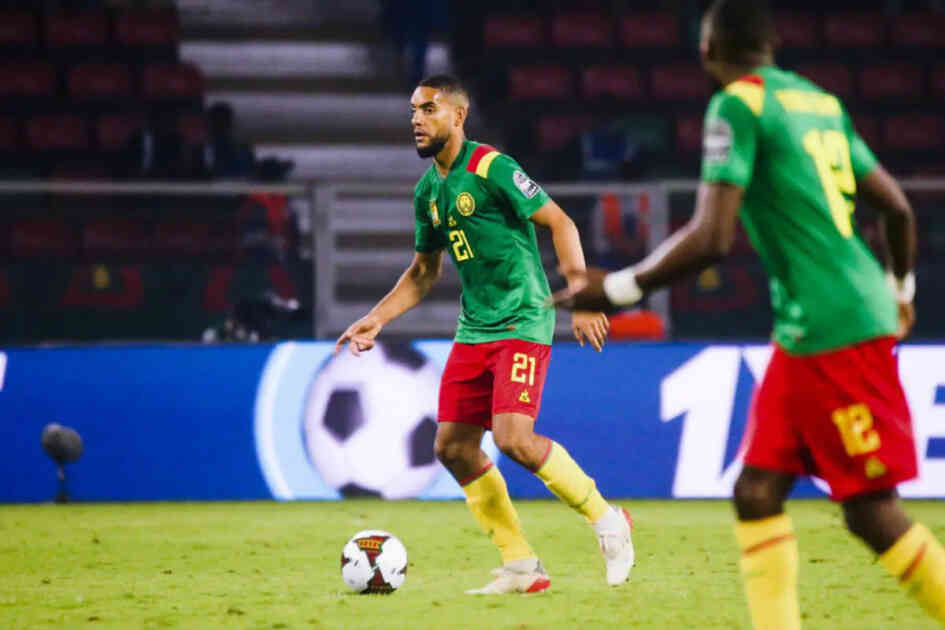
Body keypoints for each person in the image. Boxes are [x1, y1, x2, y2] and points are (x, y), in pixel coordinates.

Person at [553, 0, 945, 627]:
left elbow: (712, 237)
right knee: (756, 491)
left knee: (870, 509)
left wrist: (619, 288)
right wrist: (902, 290)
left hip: (834, 326)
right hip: (813, 326)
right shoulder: (821, 103)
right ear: (772, 43)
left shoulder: (738, 104)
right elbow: (897, 210)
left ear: (708, 49)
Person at [335, 74, 634, 595]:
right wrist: (377, 318)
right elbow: (424, 272)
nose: (416, 120)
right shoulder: (428, 191)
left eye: (428, 110)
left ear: (457, 116)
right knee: (452, 447)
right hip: (475, 328)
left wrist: (584, 298)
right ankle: (521, 564)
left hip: (523, 317)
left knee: (513, 438)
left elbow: (562, 224)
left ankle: (608, 522)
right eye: (412, 111)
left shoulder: (492, 166)